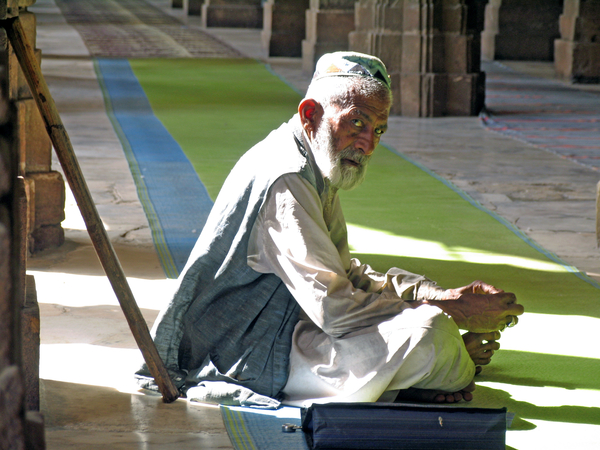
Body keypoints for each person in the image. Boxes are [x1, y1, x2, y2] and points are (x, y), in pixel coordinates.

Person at [137, 52, 524, 407]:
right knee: (431, 336)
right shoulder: (288, 179)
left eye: (378, 130)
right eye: (357, 122)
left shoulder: (313, 163)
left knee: (427, 329)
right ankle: (445, 366)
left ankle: (430, 369)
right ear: (311, 114)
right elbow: (335, 308)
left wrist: (438, 294)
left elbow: (344, 272)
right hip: (247, 351)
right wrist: (451, 312)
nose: (368, 144)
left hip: (286, 325)